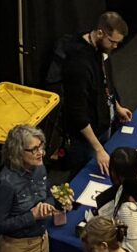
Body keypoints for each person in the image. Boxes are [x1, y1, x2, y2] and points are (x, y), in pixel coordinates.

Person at [48, 12, 129, 172]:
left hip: (104, 122)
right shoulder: (78, 65)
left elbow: (105, 81)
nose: (115, 47)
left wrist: (116, 106)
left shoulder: (98, 46)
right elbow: (77, 113)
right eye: (112, 42)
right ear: (100, 33)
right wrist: (98, 149)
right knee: (84, 174)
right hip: (87, 138)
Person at [0, 123, 58, 252]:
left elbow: (48, 194)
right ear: (17, 152)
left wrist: (48, 205)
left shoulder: (39, 167)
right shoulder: (6, 184)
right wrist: (32, 216)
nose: (40, 153)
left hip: (42, 238)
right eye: (34, 149)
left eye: (41, 146)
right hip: (19, 248)